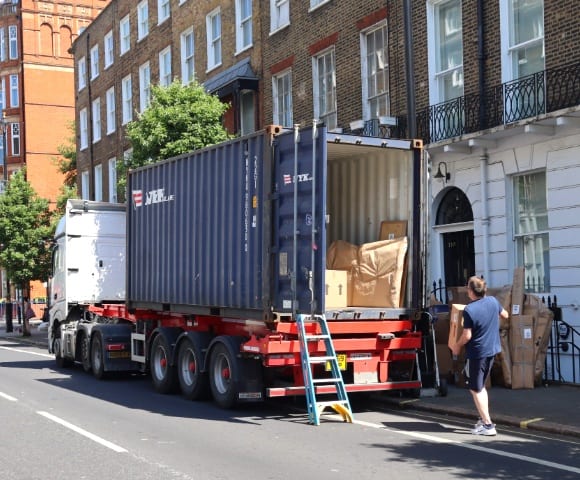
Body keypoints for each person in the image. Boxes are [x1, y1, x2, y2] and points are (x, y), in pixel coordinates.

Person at [450, 276, 508, 436]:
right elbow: (506, 315)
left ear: (470, 291)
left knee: (476, 388)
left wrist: (456, 346)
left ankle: (488, 425)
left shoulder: (470, 310)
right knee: (479, 386)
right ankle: (484, 419)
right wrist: (492, 318)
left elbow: (467, 336)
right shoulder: (493, 302)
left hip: (477, 352)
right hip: (492, 349)